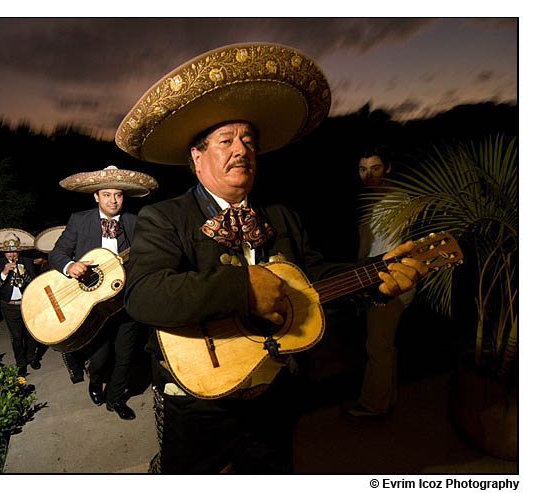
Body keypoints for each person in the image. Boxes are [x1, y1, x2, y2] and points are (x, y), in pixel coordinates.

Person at [115, 42, 427, 473]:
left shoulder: (279, 214)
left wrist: (373, 279)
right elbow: (144, 294)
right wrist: (243, 288)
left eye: (248, 140)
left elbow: (312, 277)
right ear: (197, 156)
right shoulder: (165, 217)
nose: (241, 149)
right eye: (226, 140)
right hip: (198, 402)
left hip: (276, 391)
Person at [48, 166, 158, 420]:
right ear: (96, 197)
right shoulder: (79, 219)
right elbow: (57, 253)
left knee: (126, 355)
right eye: (106, 194)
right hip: (93, 306)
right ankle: (95, 381)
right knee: (100, 358)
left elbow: (148, 256)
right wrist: (70, 265)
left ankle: (116, 399)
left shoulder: (134, 221)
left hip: (124, 302)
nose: (113, 200)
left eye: (118, 195)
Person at [346, 146, 415, 418]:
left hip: (389, 280)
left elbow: (391, 248)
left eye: (375, 167)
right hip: (372, 275)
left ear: (388, 167)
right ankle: (388, 399)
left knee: (377, 345)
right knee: (384, 343)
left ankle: (374, 406)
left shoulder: (395, 199)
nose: (368, 174)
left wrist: (372, 280)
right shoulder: (369, 199)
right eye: (362, 169)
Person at [0, 229, 42, 377]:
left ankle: (31, 358)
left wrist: (24, 274)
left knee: (31, 335)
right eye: (9, 252)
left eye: (15, 251)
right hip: (9, 306)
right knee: (17, 337)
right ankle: (21, 364)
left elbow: (34, 283)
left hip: (27, 304)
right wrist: (4, 273)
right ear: (4, 252)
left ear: (19, 251)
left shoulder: (27, 262)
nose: (12, 254)